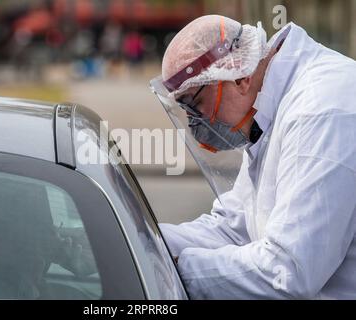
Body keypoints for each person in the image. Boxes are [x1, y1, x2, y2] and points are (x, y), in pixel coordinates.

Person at [150, 15, 356, 299]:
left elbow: (289, 272)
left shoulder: (319, 112)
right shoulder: (267, 110)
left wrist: (173, 269)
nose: (195, 121)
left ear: (239, 76)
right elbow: (233, 229)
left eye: (195, 103)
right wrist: (142, 240)